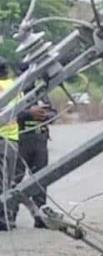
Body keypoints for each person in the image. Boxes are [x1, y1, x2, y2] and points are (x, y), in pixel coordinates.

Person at [14, 63, 57, 228]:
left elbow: (53, 112)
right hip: (21, 139)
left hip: (40, 140)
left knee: (41, 179)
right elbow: (9, 114)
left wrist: (46, 115)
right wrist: (29, 113)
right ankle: (9, 215)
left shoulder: (41, 93)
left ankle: (40, 216)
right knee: (15, 179)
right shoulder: (16, 93)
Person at [0, 57, 20, 231]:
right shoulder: (14, 86)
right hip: (12, 138)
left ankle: (4, 216)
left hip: (2, 138)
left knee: (2, 180)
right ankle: (6, 216)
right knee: (8, 180)